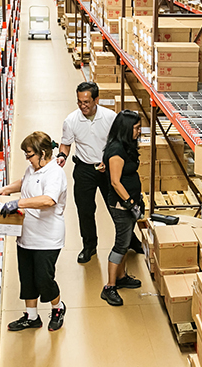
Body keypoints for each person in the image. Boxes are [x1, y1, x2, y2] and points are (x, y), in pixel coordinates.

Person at [57, 81, 144, 264]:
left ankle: (130, 240)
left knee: (119, 208)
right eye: (80, 102)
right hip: (84, 169)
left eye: (87, 102)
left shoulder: (110, 117)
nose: (83, 106)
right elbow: (66, 143)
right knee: (85, 210)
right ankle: (89, 246)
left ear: (96, 99)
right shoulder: (71, 120)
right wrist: (62, 156)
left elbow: (118, 141)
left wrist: (109, 161)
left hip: (107, 168)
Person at [0, 131, 68, 331]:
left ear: (43, 153)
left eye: (30, 154)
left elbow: (48, 200)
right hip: (26, 235)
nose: (27, 159)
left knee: (44, 280)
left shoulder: (55, 174)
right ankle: (32, 316)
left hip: (47, 237)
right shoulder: (33, 168)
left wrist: (18, 202)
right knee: (27, 278)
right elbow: (25, 180)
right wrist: (7, 189)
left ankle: (58, 308)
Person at [100, 110, 144, 306]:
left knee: (125, 242)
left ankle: (121, 276)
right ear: (126, 129)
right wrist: (130, 204)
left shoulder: (126, 146)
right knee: (120, 244)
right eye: (136, 128)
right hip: (121, 205)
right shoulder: (117, 150)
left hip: (129, 203)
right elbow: (116, 182)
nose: (139, 131)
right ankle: (109, 286)